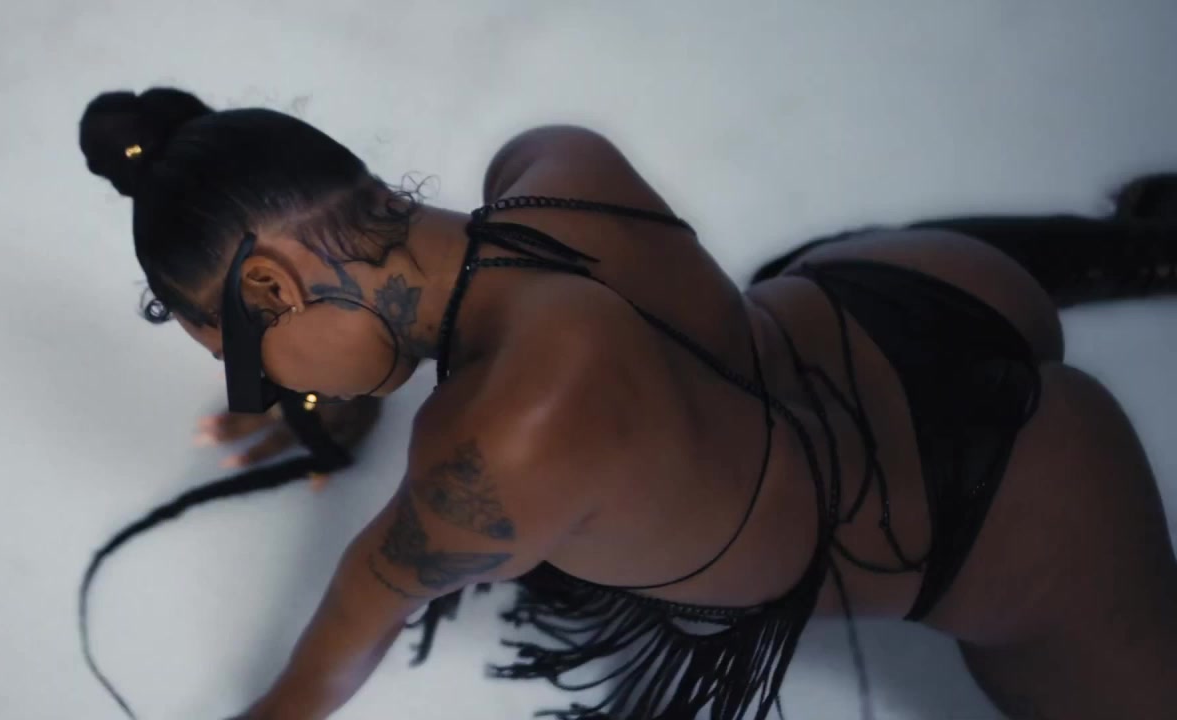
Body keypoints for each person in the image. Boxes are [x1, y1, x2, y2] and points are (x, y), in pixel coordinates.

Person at [78, 87, 1175, 720]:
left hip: (1012, 519)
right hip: (904, 289)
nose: (283, 386)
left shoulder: (491, 447)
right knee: (783, 289)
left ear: (273, 289)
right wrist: (343, 391)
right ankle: (1139, 245)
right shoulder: (551, 159)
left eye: (250, 356)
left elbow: (324, 664)